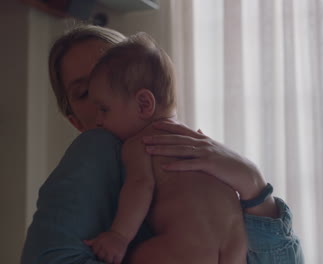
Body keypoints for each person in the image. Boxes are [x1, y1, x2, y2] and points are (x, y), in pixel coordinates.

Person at [21, 24, 304, 264]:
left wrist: (254, 185)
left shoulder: (181, 149)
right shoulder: (97, 147)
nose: (100, 108)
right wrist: (255, 192)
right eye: (85, 93)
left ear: (144, 99)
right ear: (75, 122)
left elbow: (140, 186)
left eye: (109, 87)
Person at [84, 32, 247, 264]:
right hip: (234, 249)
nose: (98, 121)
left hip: (185, 247)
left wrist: (118, 236)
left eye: (104, 109)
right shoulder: (196, 142)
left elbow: (140, 186)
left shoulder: (142, 143)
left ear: (143, 104)